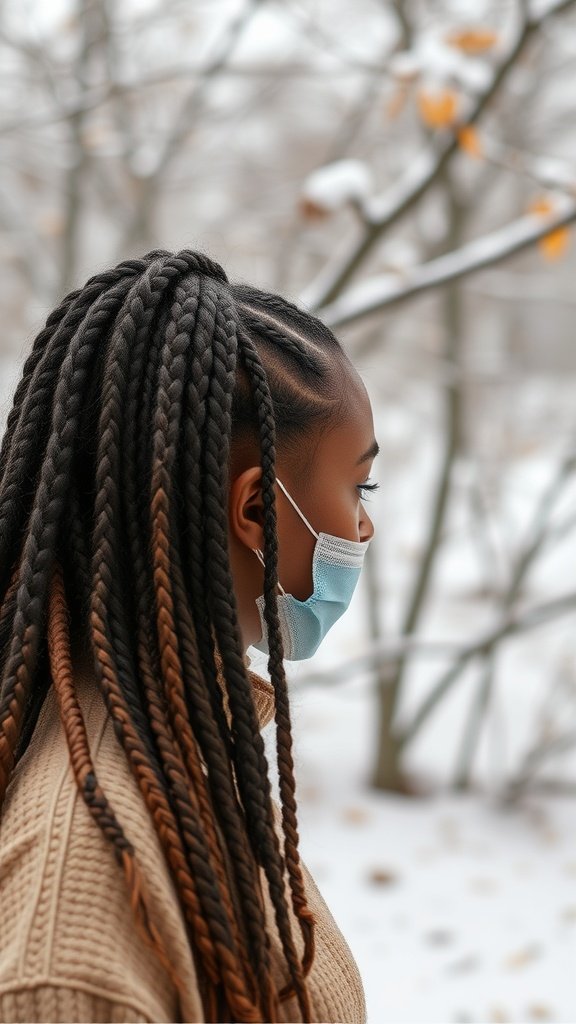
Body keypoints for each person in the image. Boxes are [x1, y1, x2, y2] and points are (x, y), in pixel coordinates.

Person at [0, 248, 378, 1024]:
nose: (366, 522)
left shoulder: (182, 739)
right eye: (359, 485)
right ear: (254, 512)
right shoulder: (69, 955)